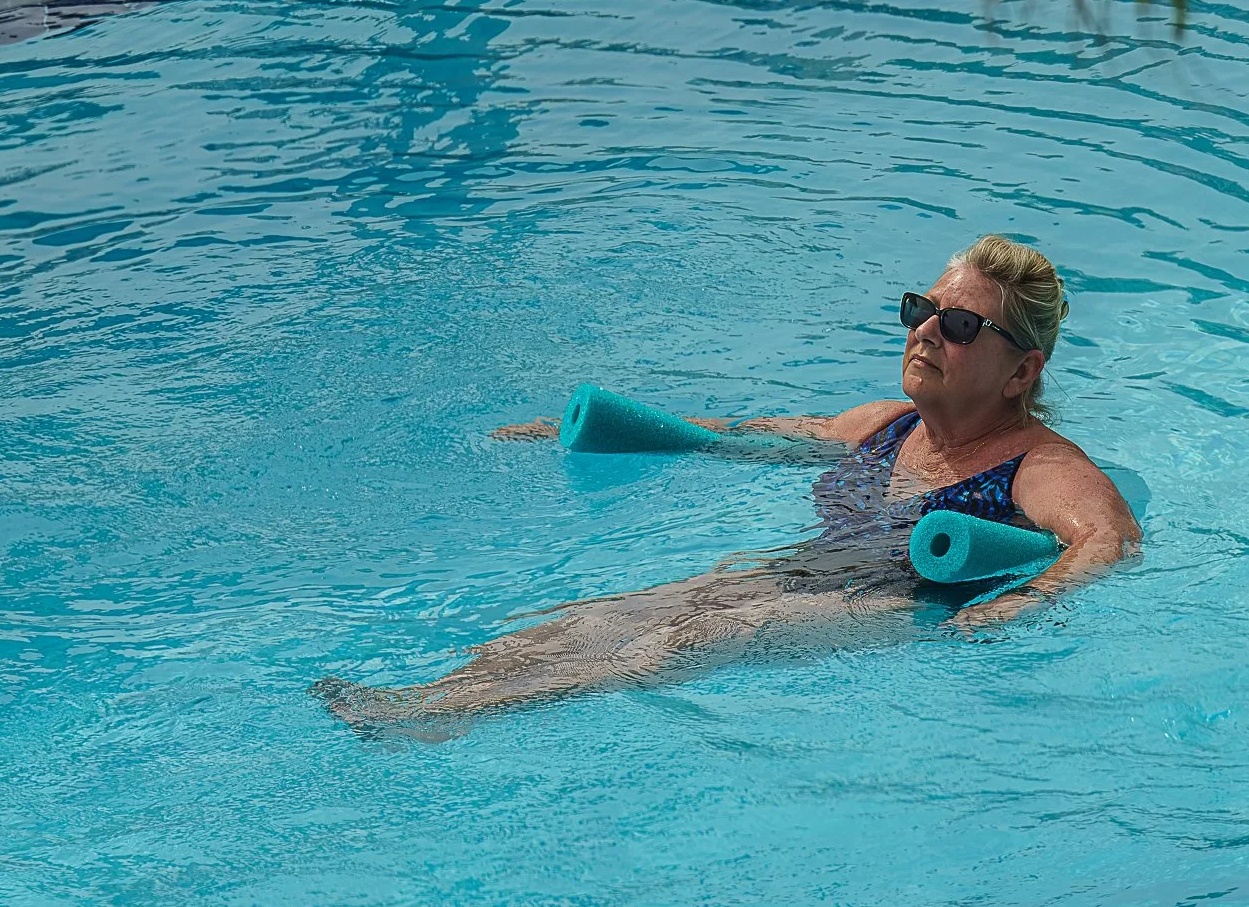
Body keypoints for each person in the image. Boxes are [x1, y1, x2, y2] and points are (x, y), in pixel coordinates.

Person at [313, 235, 1140, 727]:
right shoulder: (880, 425)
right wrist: (599, 434)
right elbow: (743, 439)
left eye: (960, 325)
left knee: (690, 641)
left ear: (1020, 370)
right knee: (601, 615)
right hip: (801, 573)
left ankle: (441, 721)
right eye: (920, 309)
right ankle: (433, 690)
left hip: (899, 606)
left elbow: (1108, 540)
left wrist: (1019, 603)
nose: (927, 330)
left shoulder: (1039, 465)